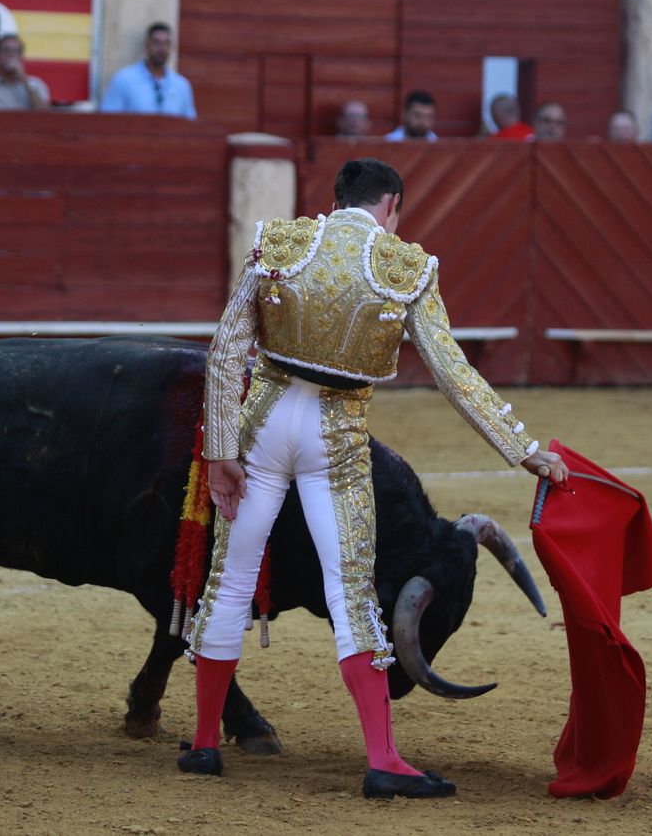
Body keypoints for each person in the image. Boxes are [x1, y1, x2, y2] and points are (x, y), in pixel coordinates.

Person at [183, 156, 569, 799]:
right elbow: (454, 374)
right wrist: (523, 449)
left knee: (230, 580)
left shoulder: (278, 243)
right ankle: (383, 759)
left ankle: (202, 745)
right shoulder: (405, 267)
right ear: (391, 205)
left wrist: (221, 449)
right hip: (334, 437)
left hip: (262, 424)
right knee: (350, 593)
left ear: (337, 199)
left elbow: (225, 351)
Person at [99, 22, 196, 118]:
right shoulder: (124, 79)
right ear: (147, 45)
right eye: (156, 42)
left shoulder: (181, 85)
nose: (162, 48)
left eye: (166, 43)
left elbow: (189, 122)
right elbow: (108, 119)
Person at [0, 32, 49, 108]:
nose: (11, 55)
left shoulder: (36, 84)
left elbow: (44, 112)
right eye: (6, 50)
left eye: (17, 51)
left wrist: (25, 80)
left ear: (21, 57)